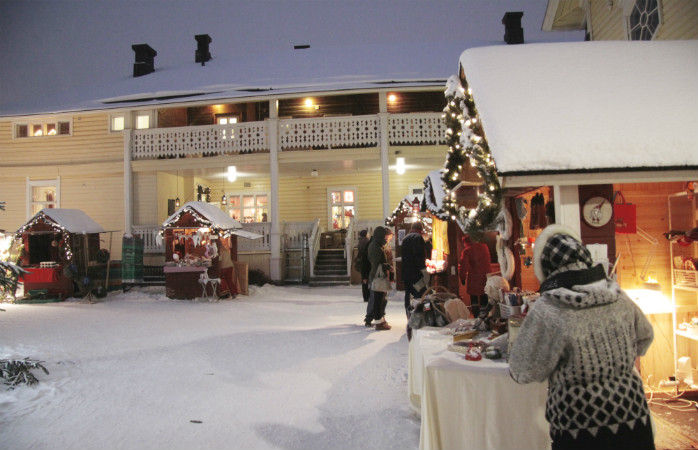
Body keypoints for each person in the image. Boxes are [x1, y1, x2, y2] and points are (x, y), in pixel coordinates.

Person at [508, 224, 655, 450]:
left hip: (579, 428)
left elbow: (522, 370)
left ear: (545, 270)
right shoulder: (617, 295)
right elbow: (645, 338)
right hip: (633, 417)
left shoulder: (548, 309)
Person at [366, 226, 394, 330]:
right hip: (378, 276)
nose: (386, 239)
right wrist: (388, 266)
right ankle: (378, 321)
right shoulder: (376, 247)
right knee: (378, 300)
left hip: (379, 275)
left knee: (380, 299)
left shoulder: (377, 245)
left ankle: (380, 320)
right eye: (385, 236)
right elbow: (377, 264)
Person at [459, 234, 492, 318]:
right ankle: (485, 316)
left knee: (474, 299)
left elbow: (463, 266)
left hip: (474, 278)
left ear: (465, 242)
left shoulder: (467, 251)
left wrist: (462, 278)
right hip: (486, 277)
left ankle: (477, 317)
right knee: (484, 296)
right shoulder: (485, 247)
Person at [401, 221, 427, 315]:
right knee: (419, 295)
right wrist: (423, 270)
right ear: (420, 229)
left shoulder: (405, 238)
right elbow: (418, 256)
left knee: (408, 295)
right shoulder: (418, 238)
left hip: (406, 273)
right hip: (416, 273)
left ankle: (409, 314)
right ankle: (418, 315)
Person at [355, 230, 370, 302]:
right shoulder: (367, 241)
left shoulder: (360, 241)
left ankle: (365, 296)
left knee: (364, 279)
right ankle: (368, 296)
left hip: (361, 261)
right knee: (367, 278)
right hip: (366, 261)